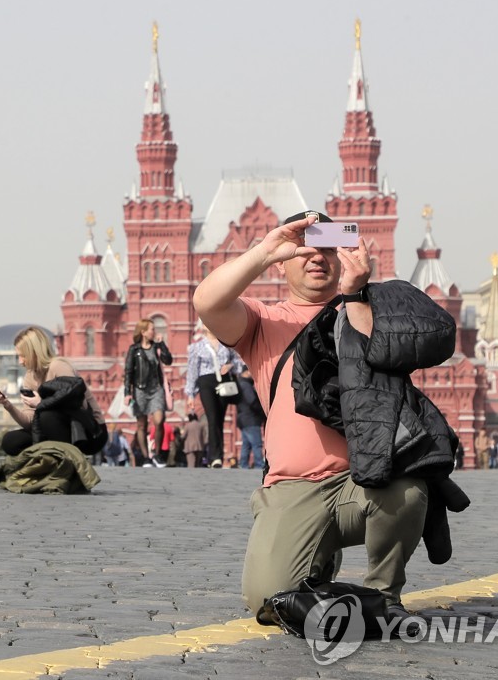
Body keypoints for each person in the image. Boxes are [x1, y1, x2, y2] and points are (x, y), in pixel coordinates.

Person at [193, 210, 460, 624]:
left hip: (365, 481)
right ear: (284, 263)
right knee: (267, 600)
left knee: (407, 491)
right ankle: (316, 564)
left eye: (328, 248)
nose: (316, 257)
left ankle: (383, 595)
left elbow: (422, 341)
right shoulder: (262, 321)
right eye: (304, 249)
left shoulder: (364, 308)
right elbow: (206, 301)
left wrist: (356, 293)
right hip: (293, 487)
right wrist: (265, 250)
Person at [0, 326, 103, 456]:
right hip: (52, 429)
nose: (20, 362)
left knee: (47, 416)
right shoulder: (29, 377)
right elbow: (29, 422)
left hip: (90, 431)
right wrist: (7, 405)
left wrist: (42, 403)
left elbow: (79, 406)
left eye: (23, 356)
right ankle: (46, 463)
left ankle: (65, 462)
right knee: (11, 441)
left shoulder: (58, 366)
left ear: (34, 352)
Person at [185, 324, 238, 468]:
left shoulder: (227, 344)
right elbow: (192, 371)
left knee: (219, 419)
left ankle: (216, 456)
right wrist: (190, 394)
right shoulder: (197, 347)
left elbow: (238, 362)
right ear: (203, 327)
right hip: (206, 383)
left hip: (223, 384)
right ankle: (215, 457)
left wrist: (230, 366)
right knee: (212, 418)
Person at [123, 319, 172, 468]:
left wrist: (162, 344)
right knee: (141, 425)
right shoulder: (134, 349)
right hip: (139, 390)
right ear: (143, 332)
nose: (154, 332)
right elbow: (128, 372)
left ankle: (157, 455)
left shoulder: (157, 347)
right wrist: (127, 392)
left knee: (159, 420)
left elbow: (168, 360)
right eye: (152, 329)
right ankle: (146, 458)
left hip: (156, 389)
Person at [234, 369, 266, 470]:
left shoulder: (240, 384)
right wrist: (261, 411)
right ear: (247, 372)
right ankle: (259, 465)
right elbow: (252, 401)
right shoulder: (246, 386)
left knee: (246, 444)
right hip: (251, 418)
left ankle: (243, 465)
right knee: (256, 444)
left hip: (244, 419)